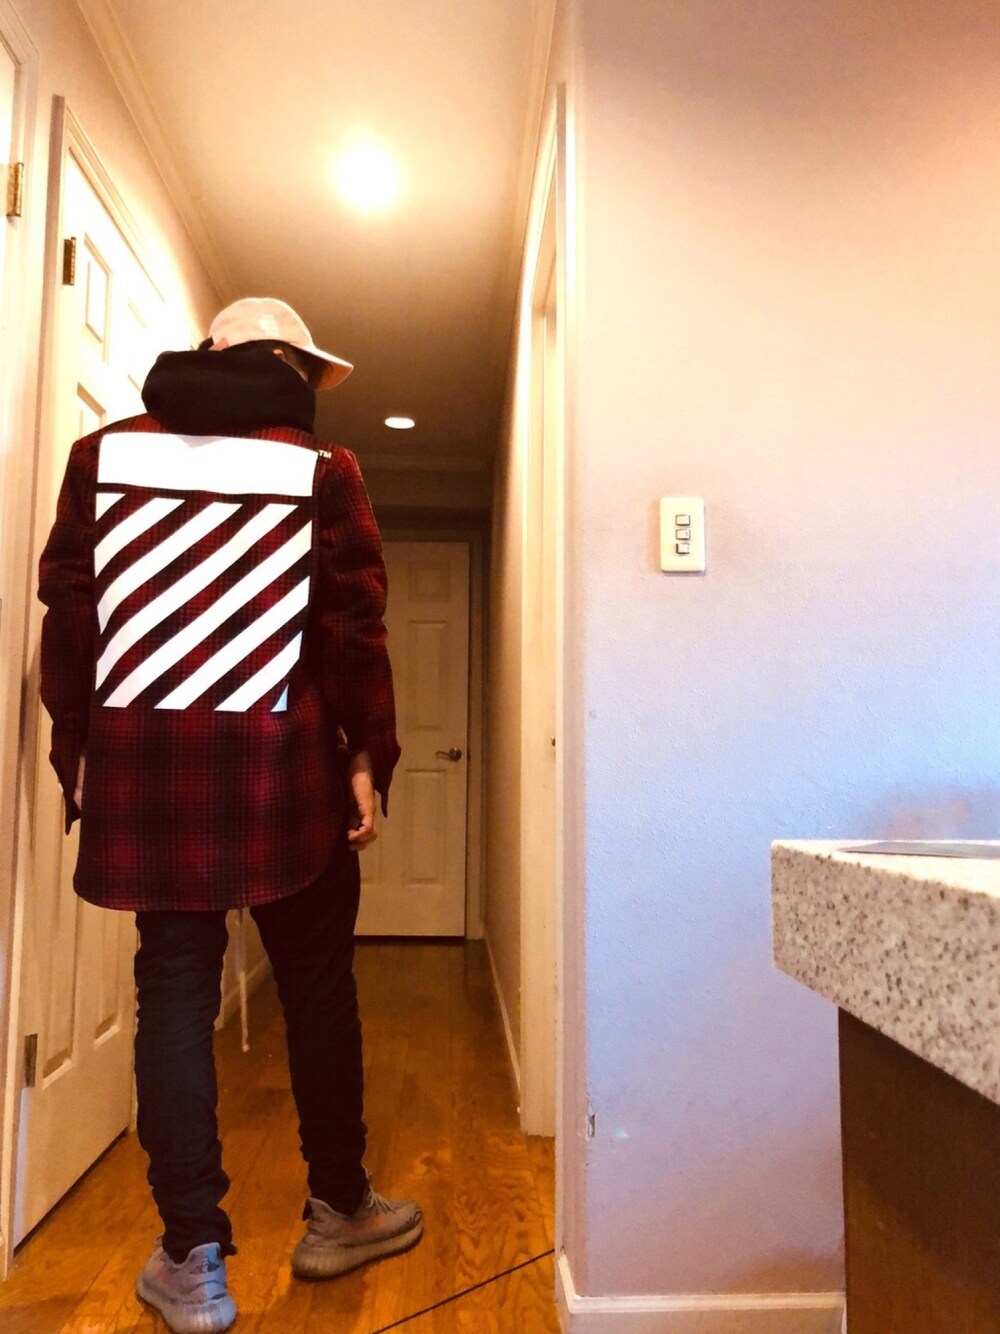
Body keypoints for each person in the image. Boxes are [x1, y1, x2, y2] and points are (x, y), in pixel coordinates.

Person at [37, 297, 422, 1334]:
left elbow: (70, 614)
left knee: (172, 994)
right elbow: (353, 629)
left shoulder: (101, 456)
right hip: (283, 771)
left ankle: (191, 1259)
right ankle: (340, 1209)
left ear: (208, 353)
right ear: (286, 366)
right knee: (318, 989)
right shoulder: (322, 467)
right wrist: (366, 755)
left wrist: (77, 748)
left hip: (147, 769)